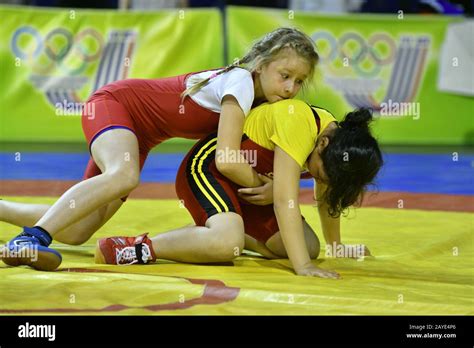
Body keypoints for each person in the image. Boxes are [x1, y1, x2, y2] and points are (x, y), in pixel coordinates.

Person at [0, 27, 319, 271]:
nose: (291, 88)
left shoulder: (261, 100)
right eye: (285, 76)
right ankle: (29, 239)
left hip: (139, 136)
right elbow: (227, 158)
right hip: (115, 105)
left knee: (77, 230)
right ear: (261, 65)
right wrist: (267, 187)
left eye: (299, 81)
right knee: (124, 175)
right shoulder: (241, 84)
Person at [95, 100, 383, 279]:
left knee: (308, 246)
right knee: (226, 245)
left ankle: (214, 233)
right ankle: (136, 248)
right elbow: (285, 202)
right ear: (323, 145)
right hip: (210, 171)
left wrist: (335, 246)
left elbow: (323, 194)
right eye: (325, 174)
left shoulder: (334, 143)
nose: (323, 179)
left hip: (248, 192)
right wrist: (303, 267)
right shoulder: (301, 123)